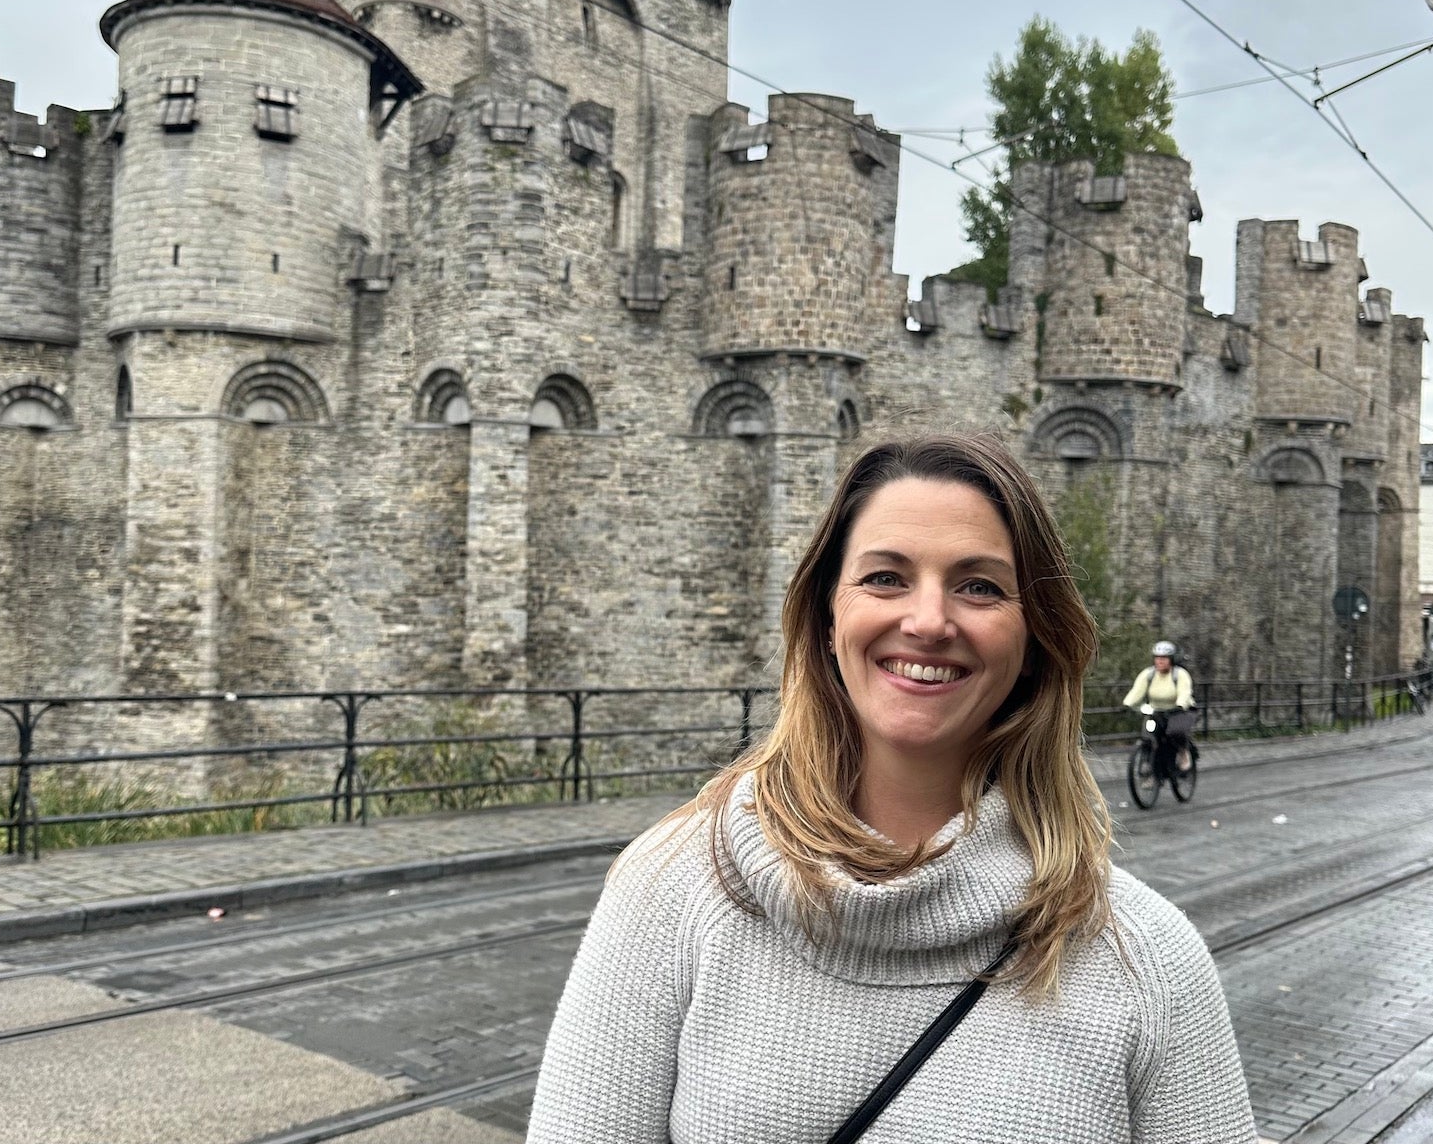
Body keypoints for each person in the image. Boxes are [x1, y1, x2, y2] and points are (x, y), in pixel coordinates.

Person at [528, 434, 1257, 1143]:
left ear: (1035, 640)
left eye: (979, 586)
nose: (928, 621)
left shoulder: (1145, 956)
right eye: (885, 577)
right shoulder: (670, 888)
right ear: (826, 614)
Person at [1122, 641, 1197, 778]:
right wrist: (1127, 704)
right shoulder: (1148, 674)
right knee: (1149, 734)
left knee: (1175, 732)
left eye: (1164, 658)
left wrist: (1180, 705)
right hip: (1156, 711)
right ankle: (1150, 766)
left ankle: (1183, 752)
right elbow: (1136, 691)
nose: (1160, 661)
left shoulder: (1180, 675)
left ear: (1172, 660)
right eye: (1157, 658)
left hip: (1179, 711)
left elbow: (1184, 692)